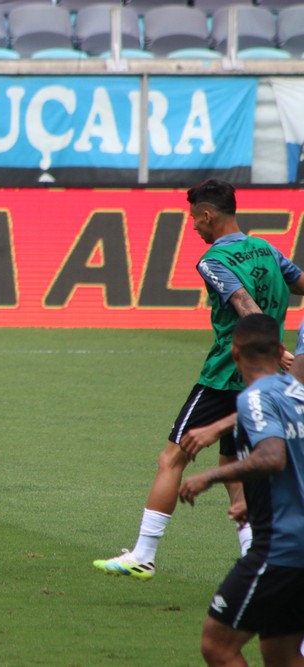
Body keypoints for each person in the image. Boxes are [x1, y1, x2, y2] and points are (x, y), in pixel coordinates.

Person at [94, 179, 304, 580]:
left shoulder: (213, 260)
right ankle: (253, 557)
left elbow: (243, 303)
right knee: (234, 462)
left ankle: (143, 552)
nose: (194, 228)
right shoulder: (267, 249)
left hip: (226, 373)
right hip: (259, 379)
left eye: (195, 220)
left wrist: (270, 346)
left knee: (173, 457)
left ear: (208, 215)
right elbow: (301, 284)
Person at [178, 314, 304, 667]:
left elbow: (273, 457)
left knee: (217, 645)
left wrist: (209, 478)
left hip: (280, 548)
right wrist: (256, 499)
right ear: (280, 350)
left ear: (235, 353)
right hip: (295, 539)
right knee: (280, 652)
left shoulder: (253, 399)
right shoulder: (297, 393)